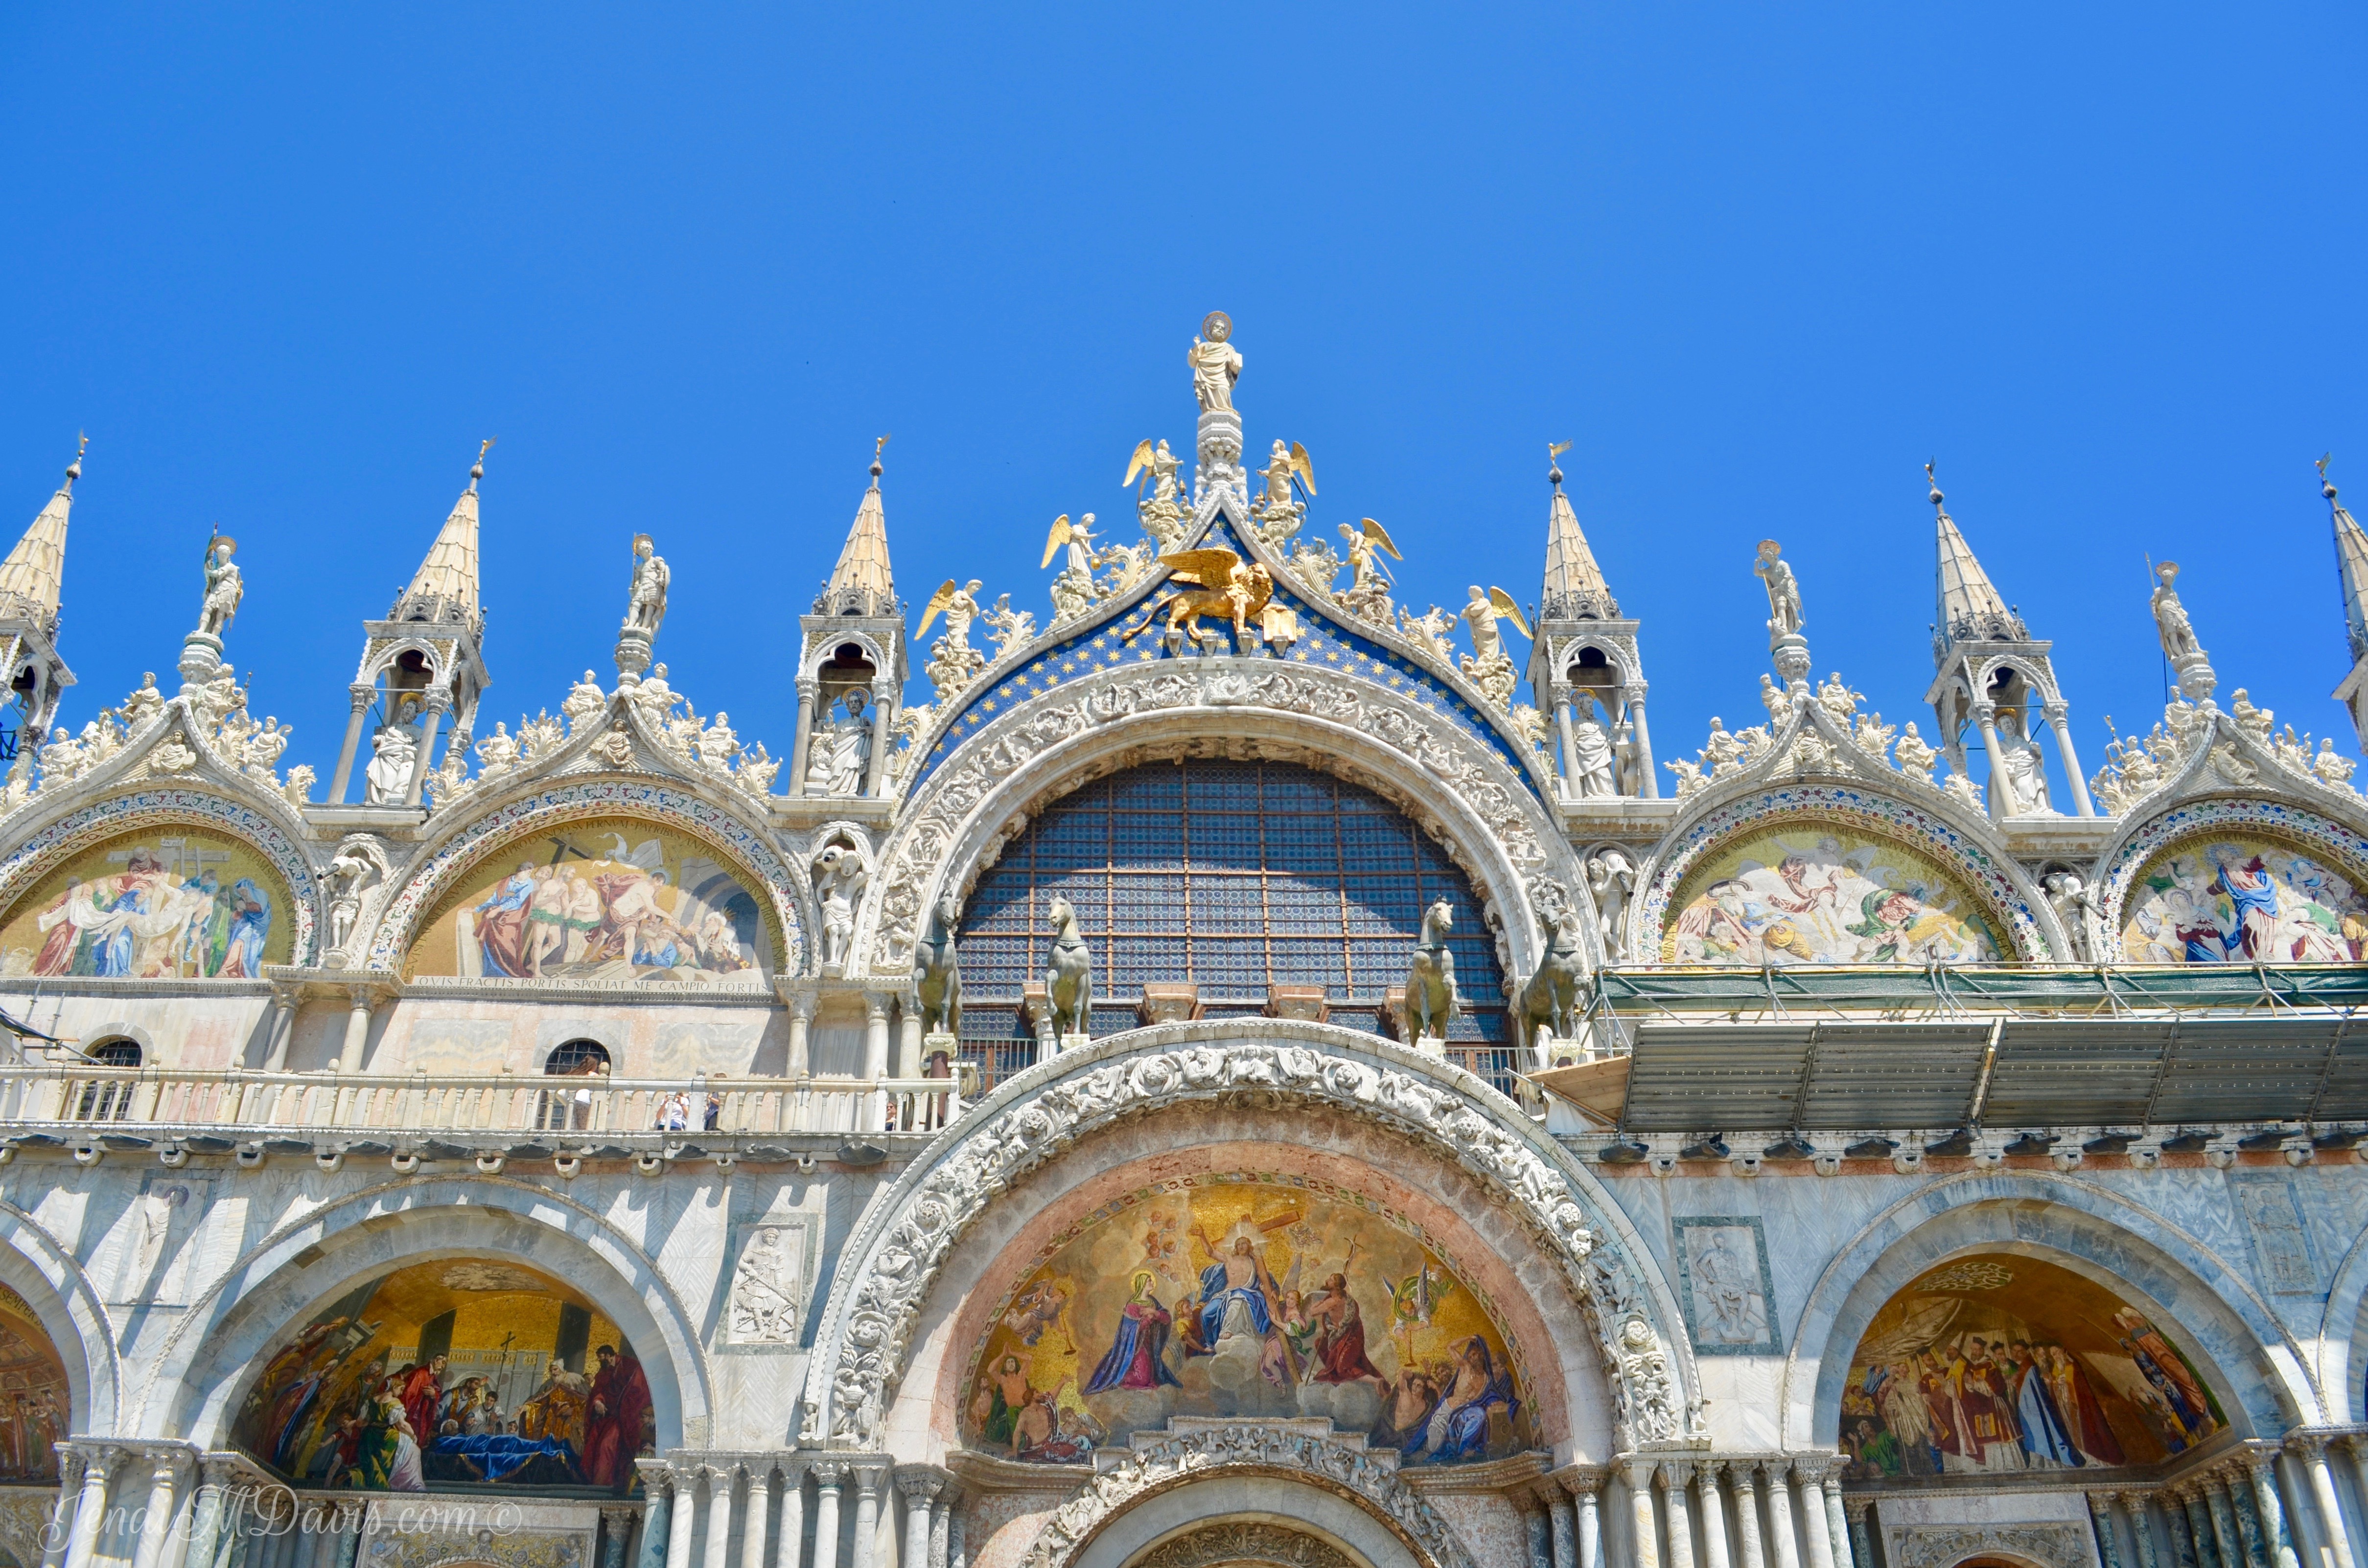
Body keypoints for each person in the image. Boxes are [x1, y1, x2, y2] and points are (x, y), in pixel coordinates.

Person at [1084, 1273, 1182, 1393]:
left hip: (1150, 1345)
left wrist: (1155, 1313)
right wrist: (1149, 1318)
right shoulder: (1132, 1306)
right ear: (1142, 1284)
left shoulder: (1153, 1303)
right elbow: (1131, 1329)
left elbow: (1166, 1319)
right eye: (1149, 1281)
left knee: (1155, 1376)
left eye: (1151, 1280)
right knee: (1143, 1379)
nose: (1152, 1283)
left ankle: (1125, 1374)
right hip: (1135, 1347)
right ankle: (1119, 1378)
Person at [1423, 1337, 1517, 1461]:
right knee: (1434, 1447)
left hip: (1463, 1415)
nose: (1473, 1358)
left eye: (1475, 1354)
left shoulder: (1487, 1380)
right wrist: (1469, 1338)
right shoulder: (1465, 1368)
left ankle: (1465, 1450)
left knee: (1479, 1414)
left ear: (1482, 1355)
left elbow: (1490, 1396)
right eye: (1471, 1356)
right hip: (1447, 1413)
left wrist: (1495, 1401)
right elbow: (1450, 1347)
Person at [584, 1343, 653, 1491]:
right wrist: (598, 1402)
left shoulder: (630, 1366)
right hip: (610, 1417)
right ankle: (600, 1486)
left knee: (607, 1445)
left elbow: (638, 1392)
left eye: (602, 1358)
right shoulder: (605, 1371)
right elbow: (599, 1390)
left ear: (610, 1356)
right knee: (598, 1444)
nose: (600, 1361)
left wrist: (624, 1410)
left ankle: (606, 1485)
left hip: (628, 1417)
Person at [1303, 1274, 1385, 1387]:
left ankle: (1376, 1381)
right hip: (1342, 1336)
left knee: (1342, 1368)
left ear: (1336, 1286)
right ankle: (1339, 1377)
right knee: (1320, 1344)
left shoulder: (1333, 1302)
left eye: (1331, 1280)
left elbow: (1312, 1312)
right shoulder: (1343, 1297)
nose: (1327, 1281)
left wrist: (1320, 1303)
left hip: (1348, 1339)